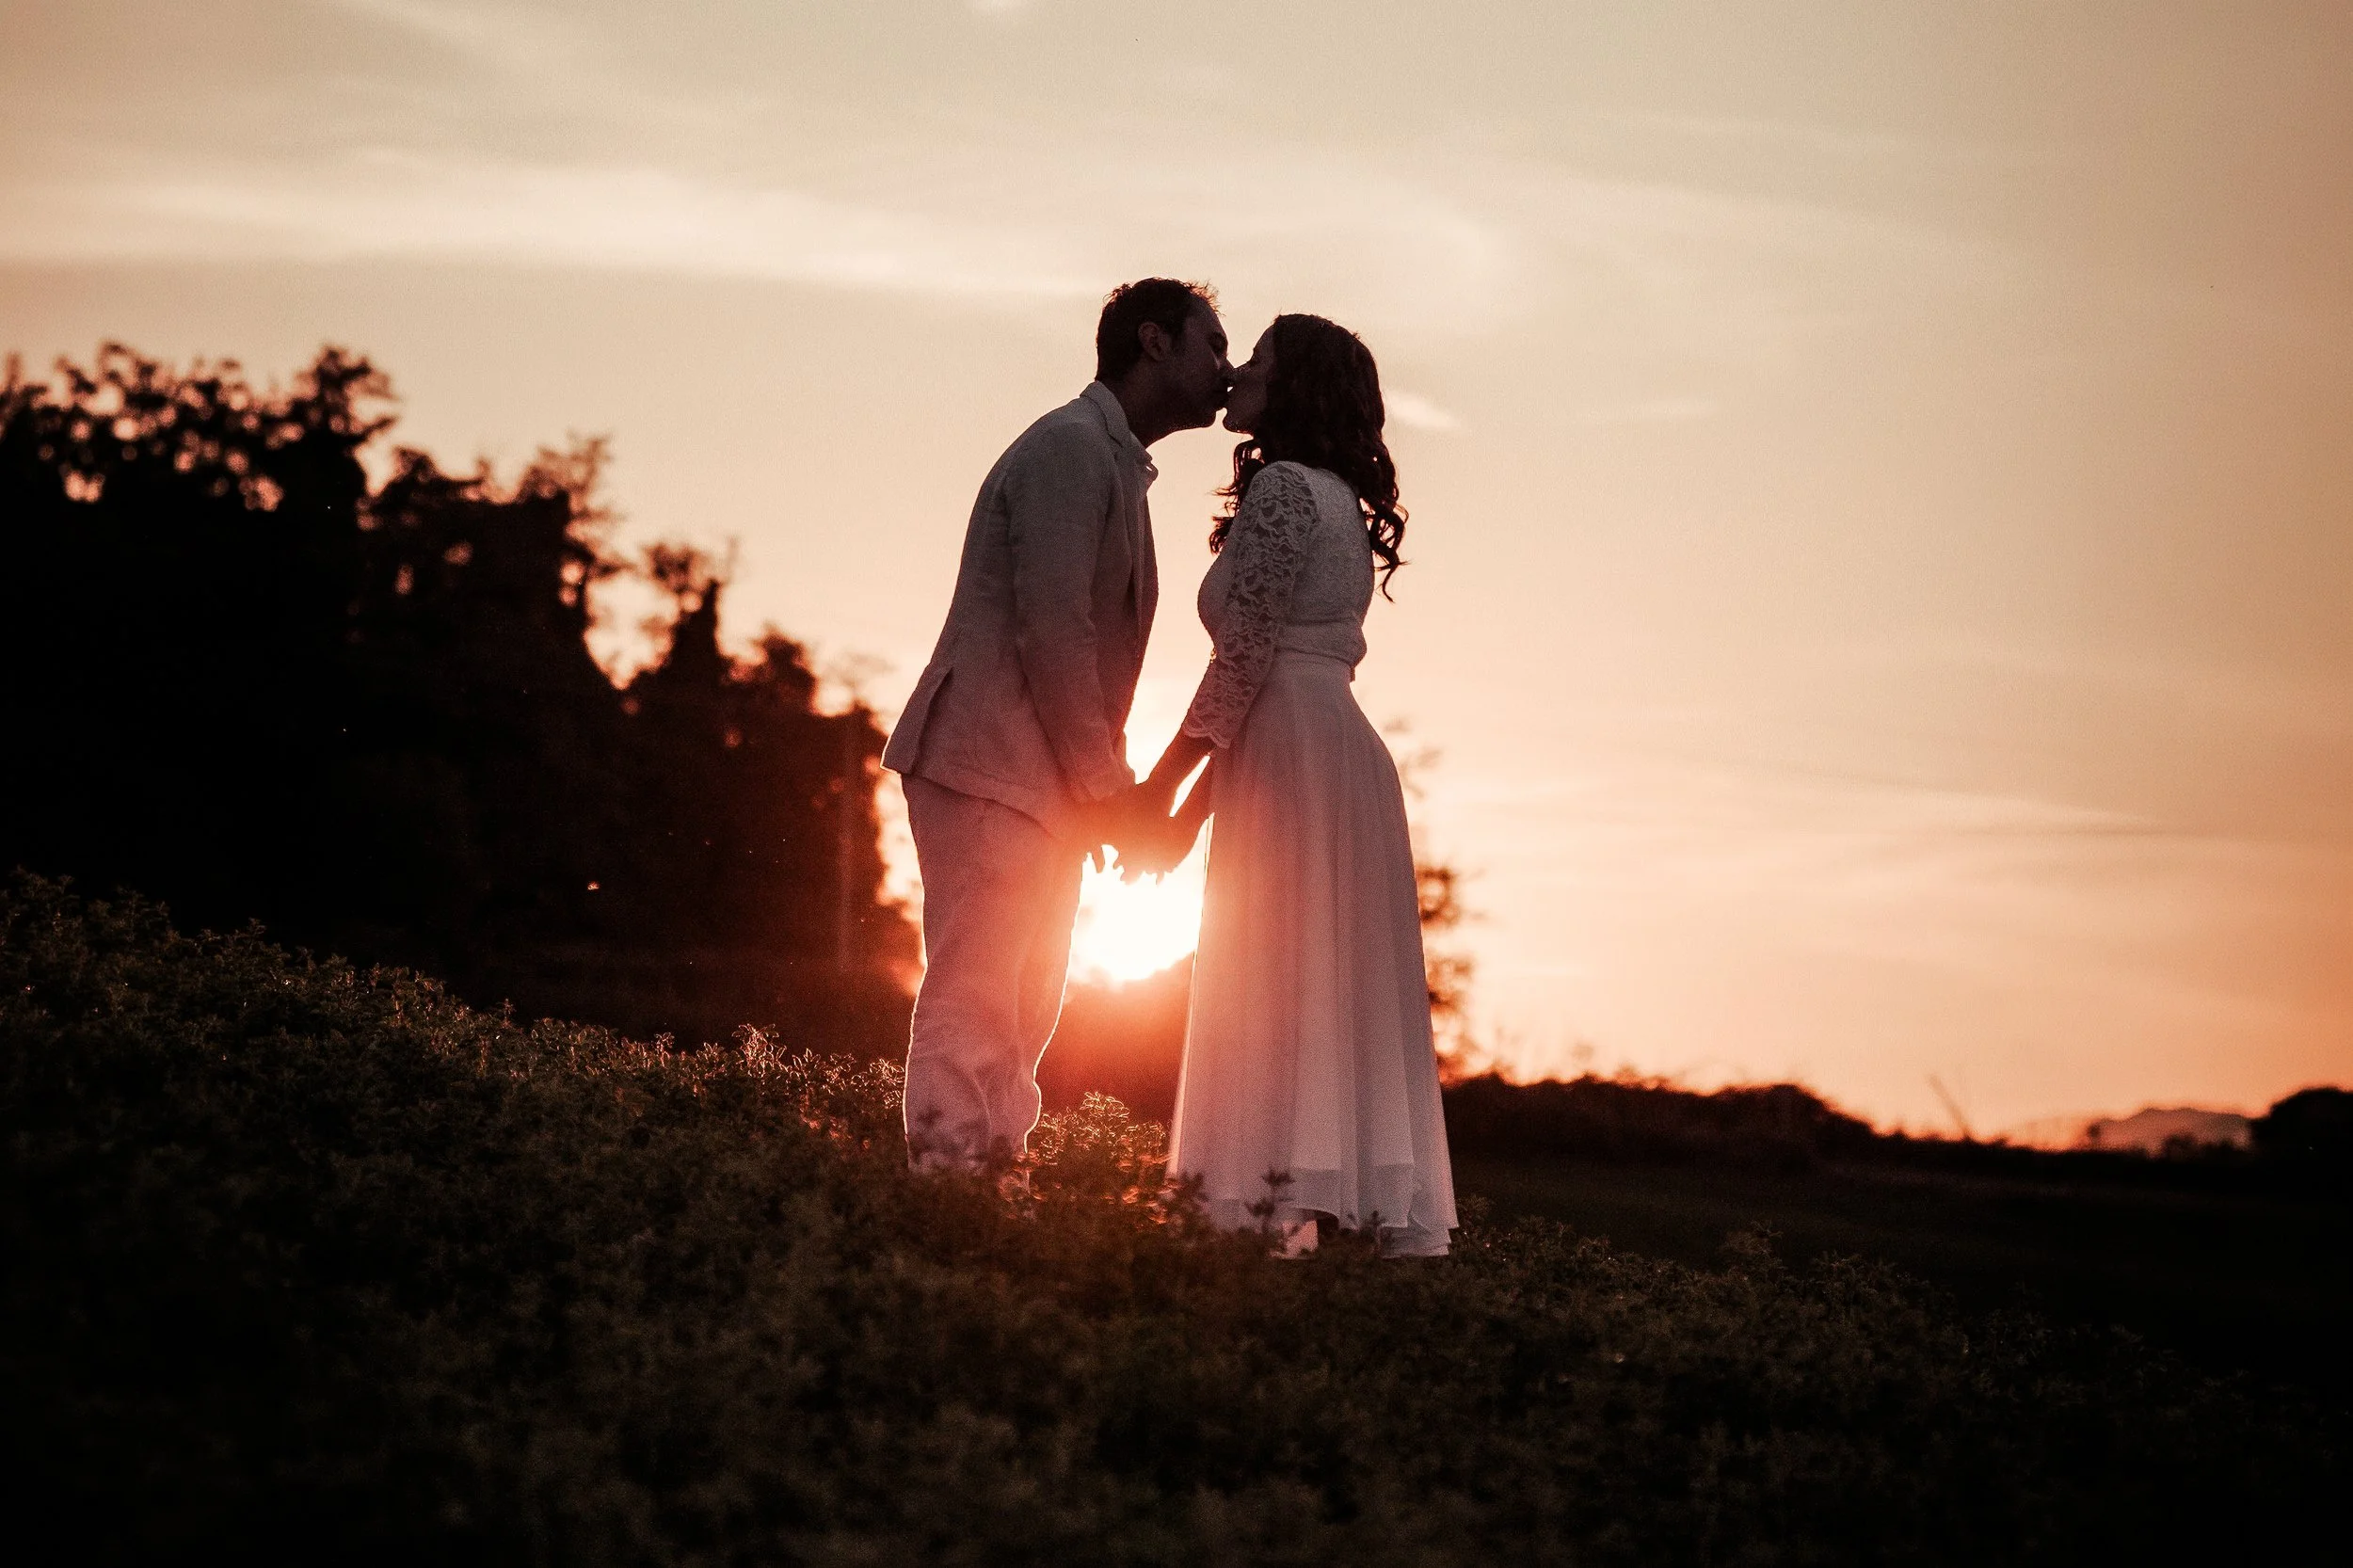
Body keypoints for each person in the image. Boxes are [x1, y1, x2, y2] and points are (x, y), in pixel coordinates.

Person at [1122, 313, 1458, 1257]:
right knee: (1319, 987)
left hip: (1293, 749)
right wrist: (1187, 814)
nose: (1234, 375)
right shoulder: (1339, 500)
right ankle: (1311, 1229)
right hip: (1320, 752)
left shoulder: (1282, 490)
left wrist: (1158, 795)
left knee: (1277, 979)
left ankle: (1268, 1228)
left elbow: (1244, 658)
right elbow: (1257, 672)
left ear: (1294, 386)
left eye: (1257, 363)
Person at [882, 279, 1232, 1169]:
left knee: (1026, 1006)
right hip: (987, 765)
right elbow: (1056, 631)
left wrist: (1094, 800)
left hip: (1038, 783)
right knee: (977, 994)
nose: (1226, 373)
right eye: (1213, 347)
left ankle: (993, 1189)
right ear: (1155, 343)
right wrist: (1111, 793)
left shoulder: (1109, 462)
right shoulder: (1071, 450)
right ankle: (946, 1195)